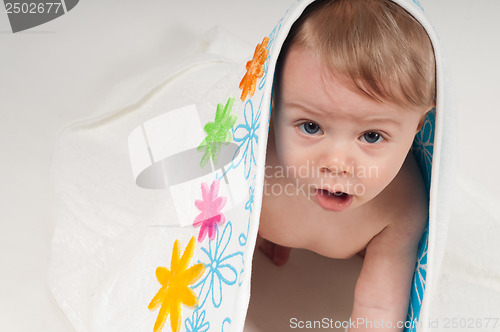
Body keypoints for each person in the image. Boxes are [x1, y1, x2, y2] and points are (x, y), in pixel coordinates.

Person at [257, 0, 435, 330]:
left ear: (417, 127)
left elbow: (379, 309)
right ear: (272, 105)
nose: (336, 164)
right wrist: (250, 233)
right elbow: (200, 232)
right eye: (311, 126)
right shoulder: (254, 165)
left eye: (371, 136)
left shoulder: (403, 206)